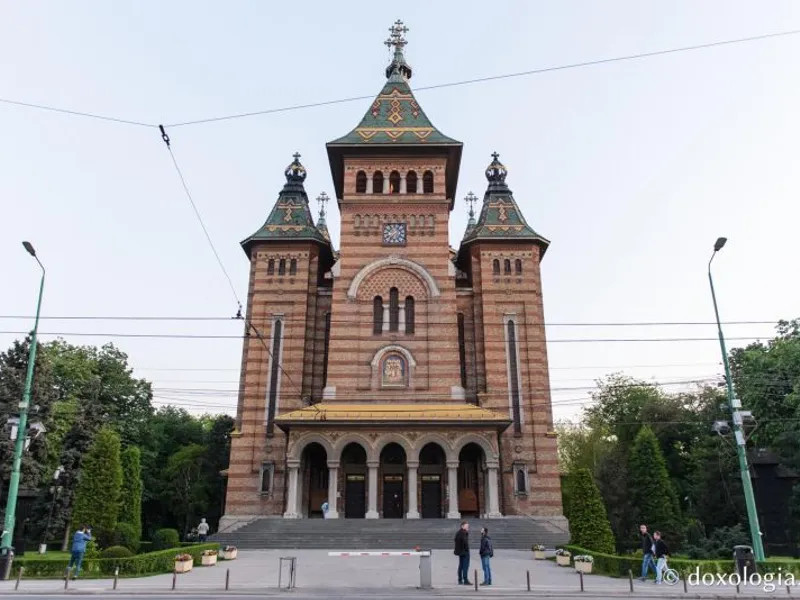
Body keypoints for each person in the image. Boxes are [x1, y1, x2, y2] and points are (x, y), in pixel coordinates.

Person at [453, 520, 471, 586]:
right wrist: (466, 550)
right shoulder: (464, 533)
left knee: (461, 566)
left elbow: (456, 541)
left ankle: (460, 580)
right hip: (465, 552)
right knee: (465, 566)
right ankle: (465, 580)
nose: (468, 527)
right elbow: (465, 542)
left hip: (460, 552)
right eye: (466, 526)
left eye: (468, 526)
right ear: (462, 526)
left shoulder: (458, 533)